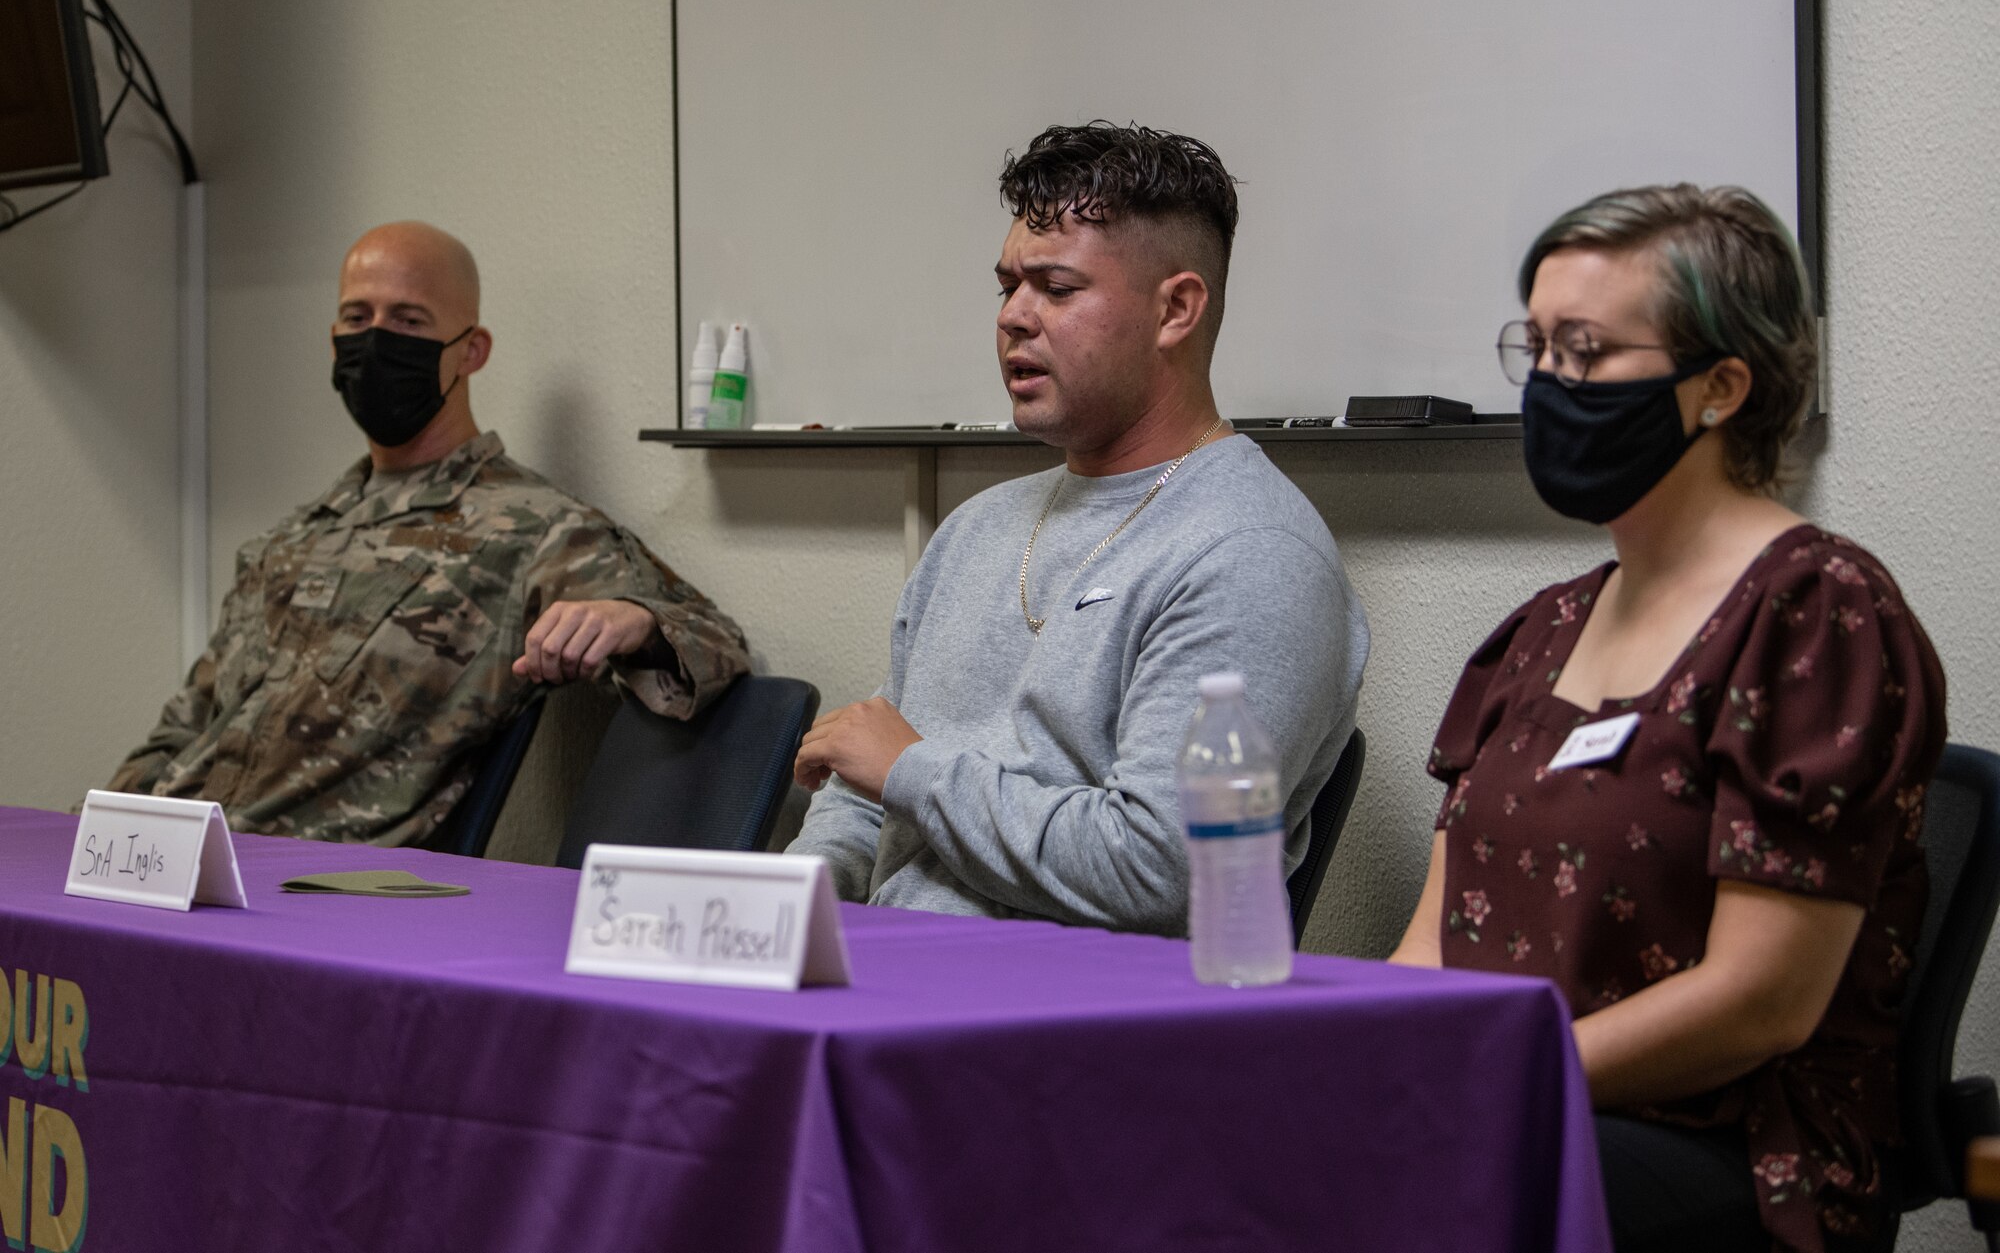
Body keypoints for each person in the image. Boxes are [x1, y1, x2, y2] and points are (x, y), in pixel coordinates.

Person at [1389, 185, 1946, 1253]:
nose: (1550, 385)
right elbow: (1435, 935)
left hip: (1727, 1148)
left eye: (1586, 352)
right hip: (1512, 1098)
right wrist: (1361, 1058)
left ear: (1720, 387)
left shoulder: (1814, 615)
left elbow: (1757, 1004)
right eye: (1536, 348)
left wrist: (1498, 1076)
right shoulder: (1543, 628)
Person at [786, 122, 1369, 934]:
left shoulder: (1252, 554)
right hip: (894, 985)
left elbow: (1168, 870)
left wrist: (914, 773)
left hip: (1075, 1032)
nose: (1015, 318)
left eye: (1057, 289)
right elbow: (864, 790)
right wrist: (777, 913)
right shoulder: (974, 531)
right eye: (1007, 287)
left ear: (1177, 310)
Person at [109, 221, 751, 846]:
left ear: (472, 350)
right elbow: (186, 726)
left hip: (310, 892)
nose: (377, 339)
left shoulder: (530, 529)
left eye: (409, 321)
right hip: (171, 861)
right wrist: (102, 833)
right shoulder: (289, 541)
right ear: (334, 340)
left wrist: (632, 619)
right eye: (357, 318)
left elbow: (716, 643)